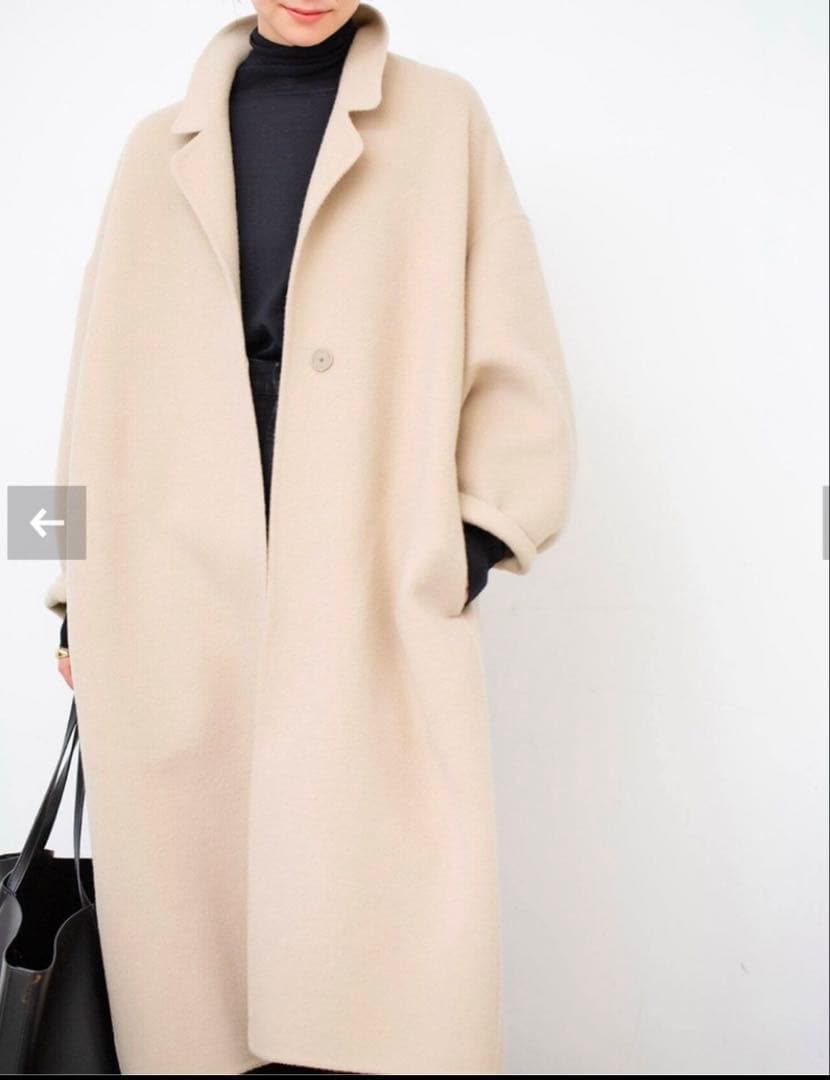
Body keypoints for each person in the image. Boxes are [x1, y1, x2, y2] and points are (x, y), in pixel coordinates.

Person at [46, 1, 577, 1074]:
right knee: (193, 937)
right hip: (170, 576)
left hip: (366, 554)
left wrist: (470, 544)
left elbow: (518, 347)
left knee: (374, 922)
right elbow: (81, 380)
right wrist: (60, 588)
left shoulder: (444, 119)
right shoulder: (151, 149)